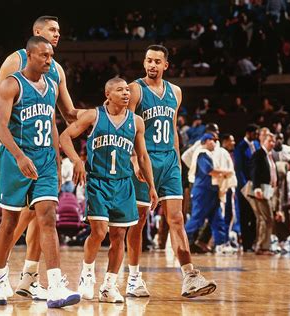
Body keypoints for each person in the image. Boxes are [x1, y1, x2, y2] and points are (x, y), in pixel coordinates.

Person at [0, 16, 84, 302]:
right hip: (15, 157)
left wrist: (105, 111)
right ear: (36, 36)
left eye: (59, 32)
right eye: (52, 30)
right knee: (10, 220)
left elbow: (64, 116)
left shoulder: (55, 75)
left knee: (47, 217)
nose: (57, 35)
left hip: (43, 157)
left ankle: (52, 284)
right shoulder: (12, 71)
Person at [126, 44, 216, 298]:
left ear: (166, 65)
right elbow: (128, 125)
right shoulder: (135, 89)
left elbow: (174, 128)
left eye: (157, 61)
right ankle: (133, 278)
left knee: (177, 219)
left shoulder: (175, 92)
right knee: (139, 221)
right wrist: (134, 158)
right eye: (148, 60)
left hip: (169, 162)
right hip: (145, 160)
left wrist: (177, 160)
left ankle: (189, 276)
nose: (152, 65)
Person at [60, 77, 157, 303]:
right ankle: (86, 275)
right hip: (98, 182)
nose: (126, 93)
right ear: (108, 94)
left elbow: (142, 156)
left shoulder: (137, 121)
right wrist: (76, 160)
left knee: (119, 236)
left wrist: (151, 186)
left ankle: (109, 286)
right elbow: (65, 137)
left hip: (124, 184)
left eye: (127, 90)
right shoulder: (94, 116)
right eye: (120, 90)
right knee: (100, 231)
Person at [234, 124, 260, 251]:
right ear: (248, 133)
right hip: (245, 186)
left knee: (255, 215)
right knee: (245, 215)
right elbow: (239, 169)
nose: (256, 136)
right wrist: (244, 186)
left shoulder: (256, 145)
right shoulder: (240, 147)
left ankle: (254, 241)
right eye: (255, 133)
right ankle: (246, 245)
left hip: (255, 185)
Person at [251, 132, 277, 255]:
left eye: (273, 141)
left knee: (265, 218)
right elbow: (254, 172)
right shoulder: (259, 154)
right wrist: (256, 188)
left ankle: (262, 245)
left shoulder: (270, 155)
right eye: (269, 141)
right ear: (263, 141)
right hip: (260, 190)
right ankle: (262, 247)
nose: (272, 143)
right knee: (266, 218)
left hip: (268, 190)